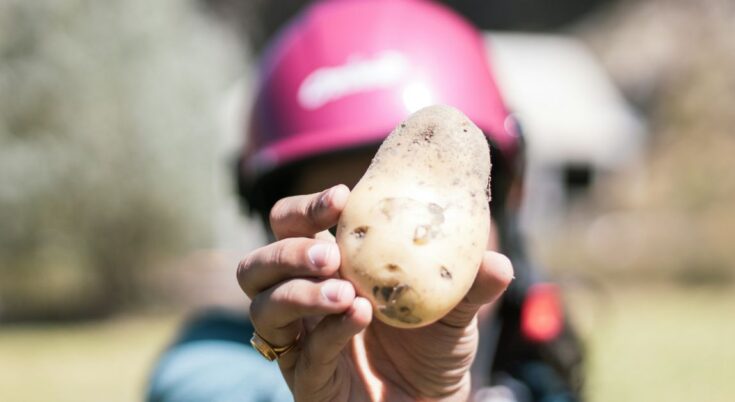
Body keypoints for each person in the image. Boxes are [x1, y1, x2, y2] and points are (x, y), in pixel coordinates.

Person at [148, 0, 583, 401]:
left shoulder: (538, 365)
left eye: (431, 212)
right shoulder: (210, 368)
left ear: (504, 198)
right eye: (344, 224)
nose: (401, 250)